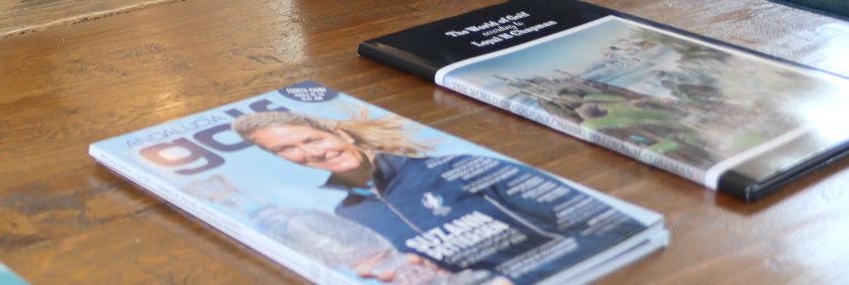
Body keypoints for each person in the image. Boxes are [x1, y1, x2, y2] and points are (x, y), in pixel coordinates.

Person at [233, 108, 652, 282]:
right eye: (286, 151)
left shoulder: (448, 165)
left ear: (336, 131)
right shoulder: (349, 217)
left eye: (308, 139)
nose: (310, 154)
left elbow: (605, 226)